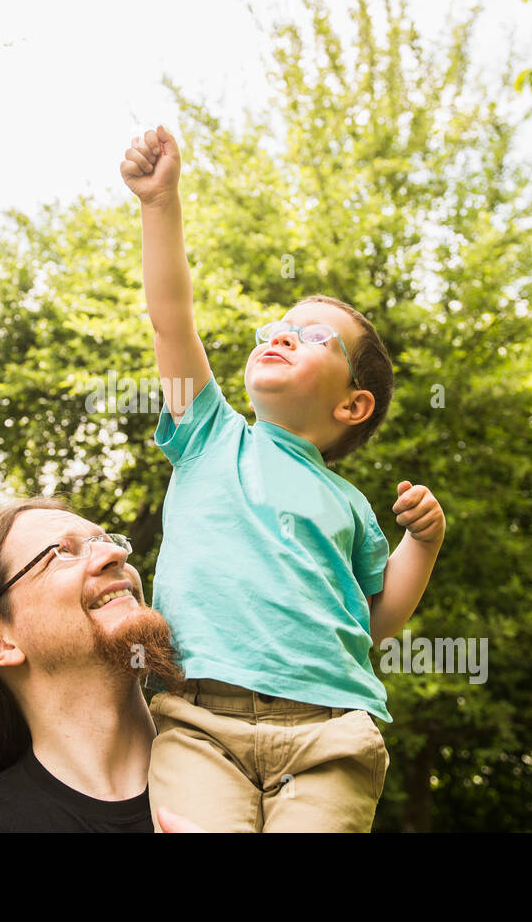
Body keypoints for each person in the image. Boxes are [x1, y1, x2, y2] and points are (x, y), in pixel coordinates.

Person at [119, 124, 447, 832]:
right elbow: (171, 318)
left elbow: (375, 620)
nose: (281, 335)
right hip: (200, 723)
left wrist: (422, 544)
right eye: (274, 329)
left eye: (316, 336)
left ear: (352, 404)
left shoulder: (351, 506)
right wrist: (159, 203)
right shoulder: (209, 435)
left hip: (328, 732)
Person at [0, 496, 187, 832]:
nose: (115, 554)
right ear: (0, 642)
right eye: (62, 552)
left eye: (108, 540)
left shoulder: (230, 763)